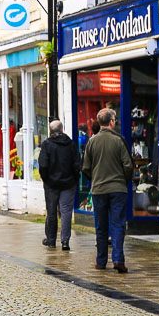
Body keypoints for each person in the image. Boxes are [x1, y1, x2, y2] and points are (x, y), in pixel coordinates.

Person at [82, 108, 133, 273]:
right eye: (115, 119)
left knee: (101, 226)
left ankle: (101, 261)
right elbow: (128, 165)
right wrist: (123, 180)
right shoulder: (119, 141)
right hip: (118, 189)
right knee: (118, 224)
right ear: (111, 122)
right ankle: (118, 259)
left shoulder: (92, 141)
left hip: (98, 190)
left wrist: (95, 179)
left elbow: (86, 167)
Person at [38, 120, 81, 251]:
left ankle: (51, 240)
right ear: (62, 130)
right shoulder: (71, 144)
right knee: (66, 211)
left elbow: (43, 165)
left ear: (50, 131)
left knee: (51, 211)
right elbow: (77, 163)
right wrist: (74, 178)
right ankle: (65, 241)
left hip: (51, 184)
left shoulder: (47, 145)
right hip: (68, 183)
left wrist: (46, 179)